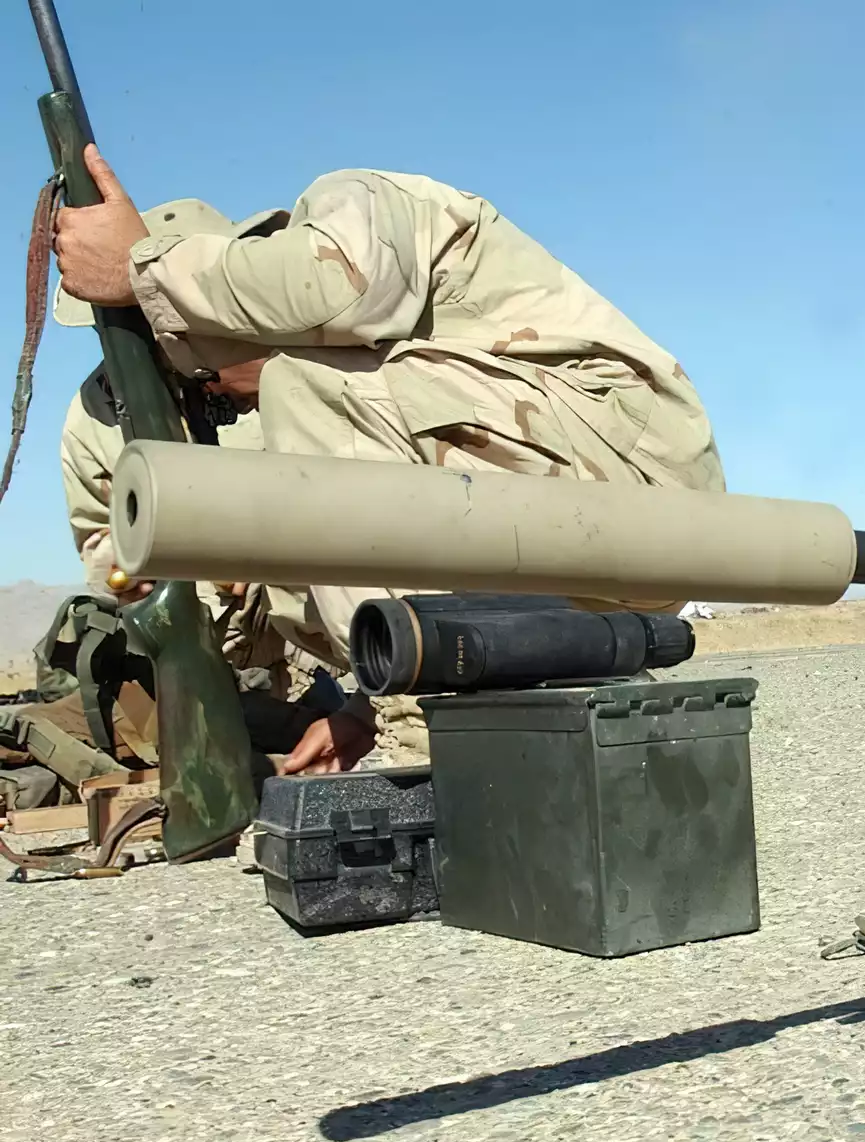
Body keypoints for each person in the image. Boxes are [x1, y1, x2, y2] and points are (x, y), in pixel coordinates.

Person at [52, 149, 727, 771]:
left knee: (303, 393)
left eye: (190, 354)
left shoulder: (353, 204)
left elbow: (337, 286)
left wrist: (142, 269)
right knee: (289, 542)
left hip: (639, 488)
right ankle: (522, 700)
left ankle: (424, 737)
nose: (206, 387)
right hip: (583, 548)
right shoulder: (346, 408)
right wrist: (360, 710)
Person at [50, 198, 416, 774]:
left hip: (329, 639)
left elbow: (371, 506)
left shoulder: (288, 363)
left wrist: (255, 541)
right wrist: (147, 571)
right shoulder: (94, 415)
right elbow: (106, 549)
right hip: (208, 652)